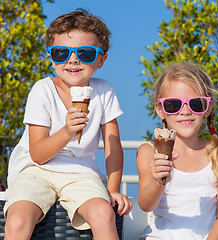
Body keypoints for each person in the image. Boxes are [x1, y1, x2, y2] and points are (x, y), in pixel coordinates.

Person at [3, 9, 132, 240]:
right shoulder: (42, 90)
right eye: (62, 52)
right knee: (18, 219)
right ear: (51, 57)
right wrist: (67, 131)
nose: (73, 59)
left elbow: (113, 147)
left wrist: (113, 188)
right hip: (34, 170)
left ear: (101, 59)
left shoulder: (104, 92)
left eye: (85, 53)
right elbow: (38, 154)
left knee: (104, 214)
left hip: (80, 172)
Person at [136, 62, 218, 239]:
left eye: (196, 104)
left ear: (208, 108)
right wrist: (159, 180)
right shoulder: (149, 152)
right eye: (173, 105)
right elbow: (146, 204)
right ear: (160, 110)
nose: (185, 111)